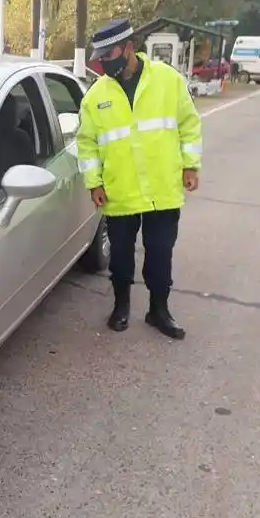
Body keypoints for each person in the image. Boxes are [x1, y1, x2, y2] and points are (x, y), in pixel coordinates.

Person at [76, 18, 202, 340]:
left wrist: (191, 165)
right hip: (120, 191)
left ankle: (159, 311)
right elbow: (87, 143)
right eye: (99, 57)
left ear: (130, 47)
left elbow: (189, 124)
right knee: (120, 258)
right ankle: (121, 307)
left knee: (160, 254)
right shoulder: (95, 96)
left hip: (162, 187)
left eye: (109, 54)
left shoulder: (167, 80)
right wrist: (95, 182)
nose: (103, 62)